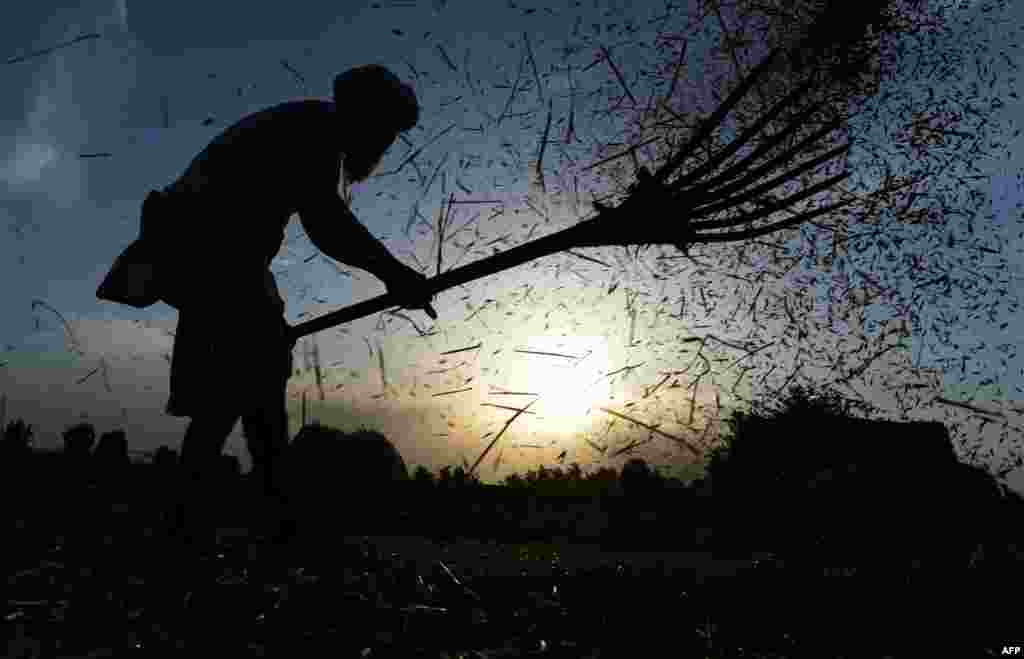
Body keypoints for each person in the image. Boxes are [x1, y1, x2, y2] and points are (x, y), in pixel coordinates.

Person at [153, 64, 436, 549]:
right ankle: (272, 522)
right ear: (364, 117)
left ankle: (196, 519)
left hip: (208, 247)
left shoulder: (307, 126)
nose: (383, 149)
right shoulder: (318, 131)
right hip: (207, 243)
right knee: (260, 369)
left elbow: (321, 219)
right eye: (384, 133)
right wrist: (395, 275)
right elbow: (328, 223)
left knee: (236, 385)